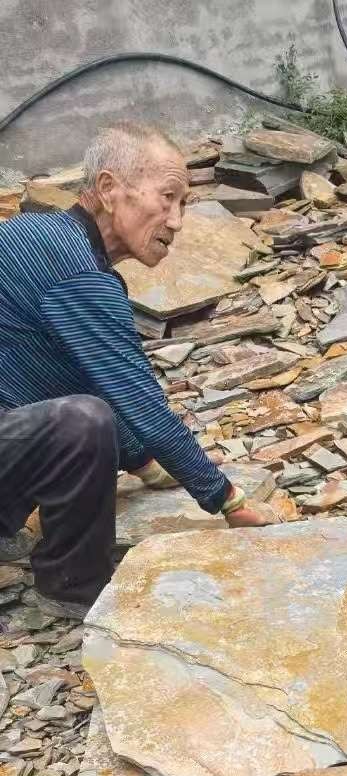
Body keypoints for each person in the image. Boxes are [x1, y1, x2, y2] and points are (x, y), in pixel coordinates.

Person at [0, 121, 276, 620]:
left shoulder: (45, 242)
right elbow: (138, 402)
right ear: (108, 189)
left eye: (183, 204)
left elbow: (63, 378)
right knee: (84, 421)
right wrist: (227, 499)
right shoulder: (73, 271)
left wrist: (144, 461)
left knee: (82, 414)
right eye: (167, 198)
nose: (177, 221)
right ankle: (73, 586)